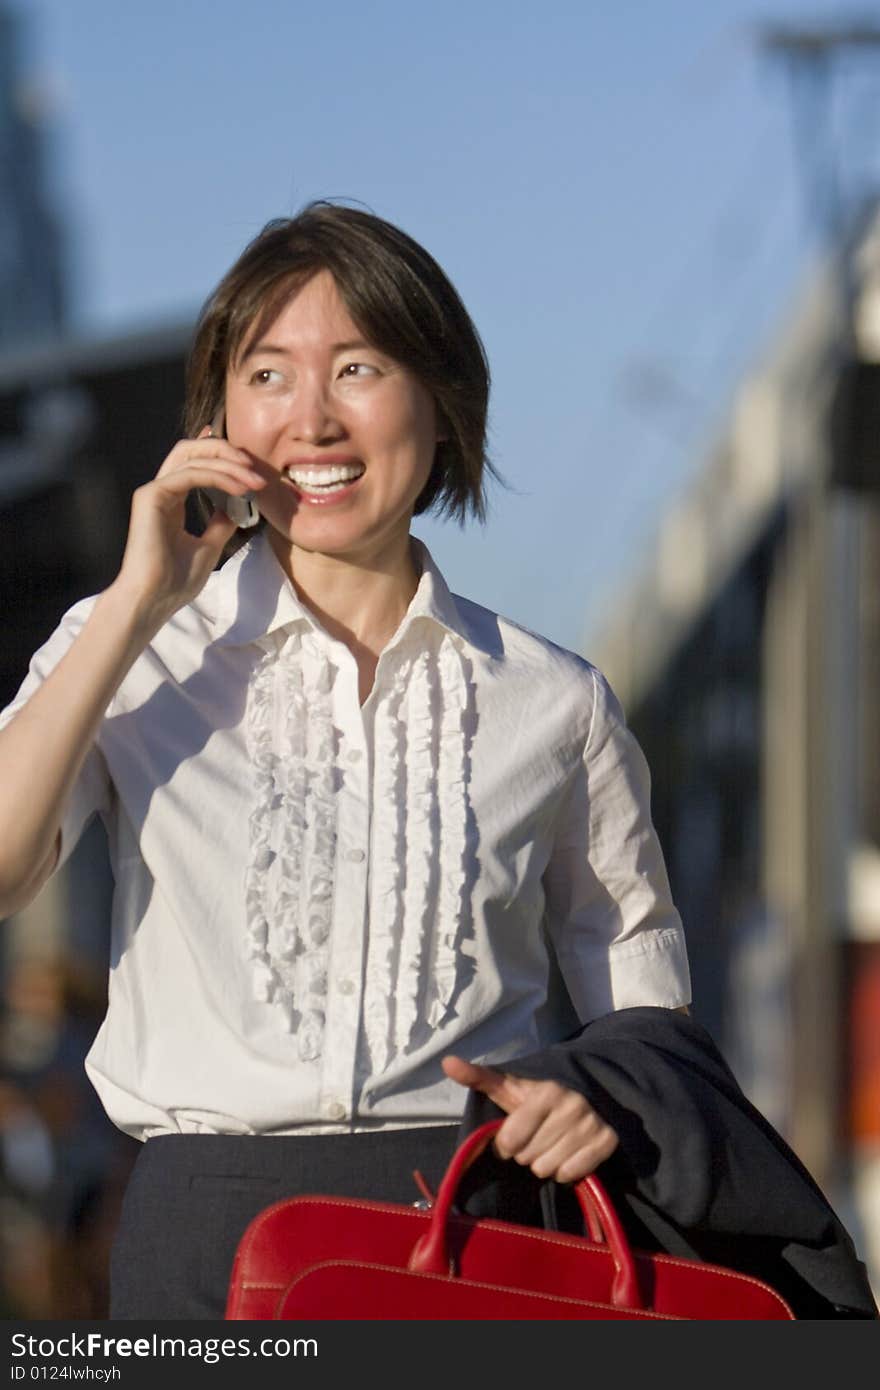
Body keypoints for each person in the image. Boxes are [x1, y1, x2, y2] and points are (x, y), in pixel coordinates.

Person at [0, 200, 694, 1319]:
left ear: (442, 403)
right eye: (267, 375)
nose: (310, 421)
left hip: (479, 1228)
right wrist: (130, 605)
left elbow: (643, 1010)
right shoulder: (131, 649)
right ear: (219, 415)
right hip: (203, 1241)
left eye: (359, 368)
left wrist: (592, 1094)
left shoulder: (554, 701)